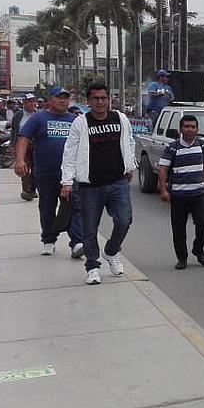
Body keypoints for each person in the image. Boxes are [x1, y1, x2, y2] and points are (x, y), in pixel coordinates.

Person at [61, 82, 135, 285]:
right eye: (95, 98)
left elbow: (129, 141)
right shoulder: (81, 122)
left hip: (117, 181)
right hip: (89, 186)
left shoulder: (120, 118)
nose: (100, 102)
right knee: (89, 228)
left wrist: (129, 165)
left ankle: (111, 251)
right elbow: (70, 153)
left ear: (109, 99)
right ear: (89, 101)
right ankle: (92, 266)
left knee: (124, 221)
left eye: (103, 98)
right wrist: (67, 182)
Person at [16, 86, 83, 257]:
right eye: (59, 97)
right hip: (46, 173)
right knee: (47, 206)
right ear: (49, 100)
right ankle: (48, 240)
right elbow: (23, 139)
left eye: (66, 97)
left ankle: (77, 242)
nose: (63, 100)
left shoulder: (75, 120)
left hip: (69, 174)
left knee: (73, 206)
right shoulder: (39, 118)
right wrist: (20, 159)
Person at [158, 114, 204, 270]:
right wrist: (163, 190)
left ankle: (198, 250)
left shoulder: (202, 145)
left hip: (198, 193)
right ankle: (182, 258)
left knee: (203, 223)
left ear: (197, 129)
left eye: (192, 127)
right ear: (181, 129)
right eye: (186, 126)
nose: (189, 129)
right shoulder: (173, 147)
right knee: (178, 228)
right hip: (179, 195)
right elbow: (163, 168)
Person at [10, 93, 39, 201]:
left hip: (36, 145)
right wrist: (13, 145)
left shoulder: (38, 115)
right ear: (24, 103)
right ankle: (26, 190)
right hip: (23, 145)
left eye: (33, 101)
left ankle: (33, 188)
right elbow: (14, 131)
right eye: (29, 101)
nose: (32, 104)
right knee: (25, 168)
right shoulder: (18, 116)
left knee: (36, 169)